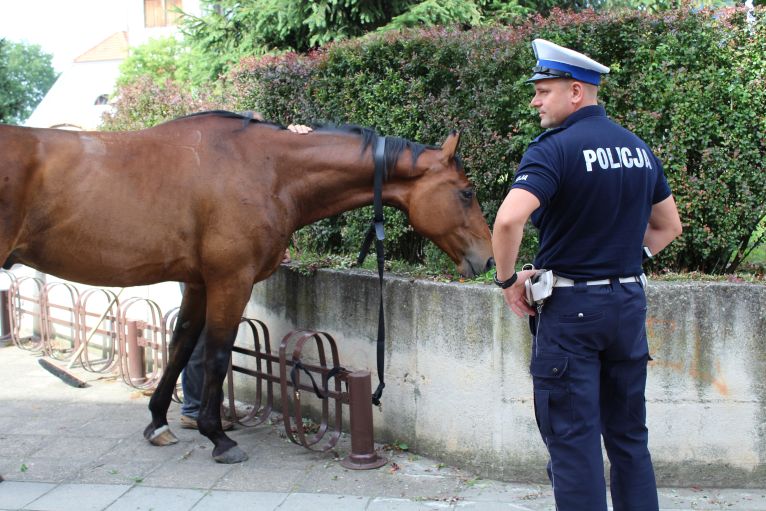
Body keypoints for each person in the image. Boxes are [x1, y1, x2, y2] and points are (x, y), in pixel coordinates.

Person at [491, 39, 682, 510]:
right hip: (627, 306)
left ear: (576, 91)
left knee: (574, 441)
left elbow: (508, 220)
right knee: (629, 437)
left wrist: (507, 280)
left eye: (544, 90)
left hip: (573, 313)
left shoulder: (553, 150)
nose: (535, 100)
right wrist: (621, 256)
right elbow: (668, 226)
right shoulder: (637, 147)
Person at [179, 118, 312, 430]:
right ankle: (194, 408)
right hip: (203, 264)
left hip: (209, 261)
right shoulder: (217, 167)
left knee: (206, 332)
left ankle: (202, 405)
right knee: (203, 333)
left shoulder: (228, 165)